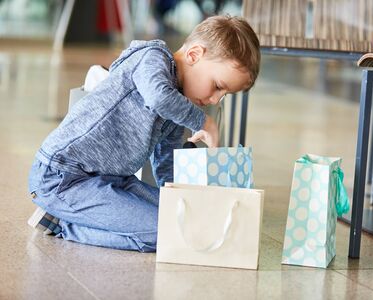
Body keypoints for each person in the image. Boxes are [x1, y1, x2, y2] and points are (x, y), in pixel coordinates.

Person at [27, 15, 260, 252]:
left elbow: (165, 161)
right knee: (163, 233)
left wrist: (183, 199)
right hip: (63, 177)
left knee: (181, 221)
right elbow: (158, 97)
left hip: (115, 181)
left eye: (224, 94)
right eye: (218, 86)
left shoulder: (176, 104)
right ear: (194, 55)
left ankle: (88, 216)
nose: (215, 99)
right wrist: (204, 122)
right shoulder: (151, 58)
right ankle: (62, 224)